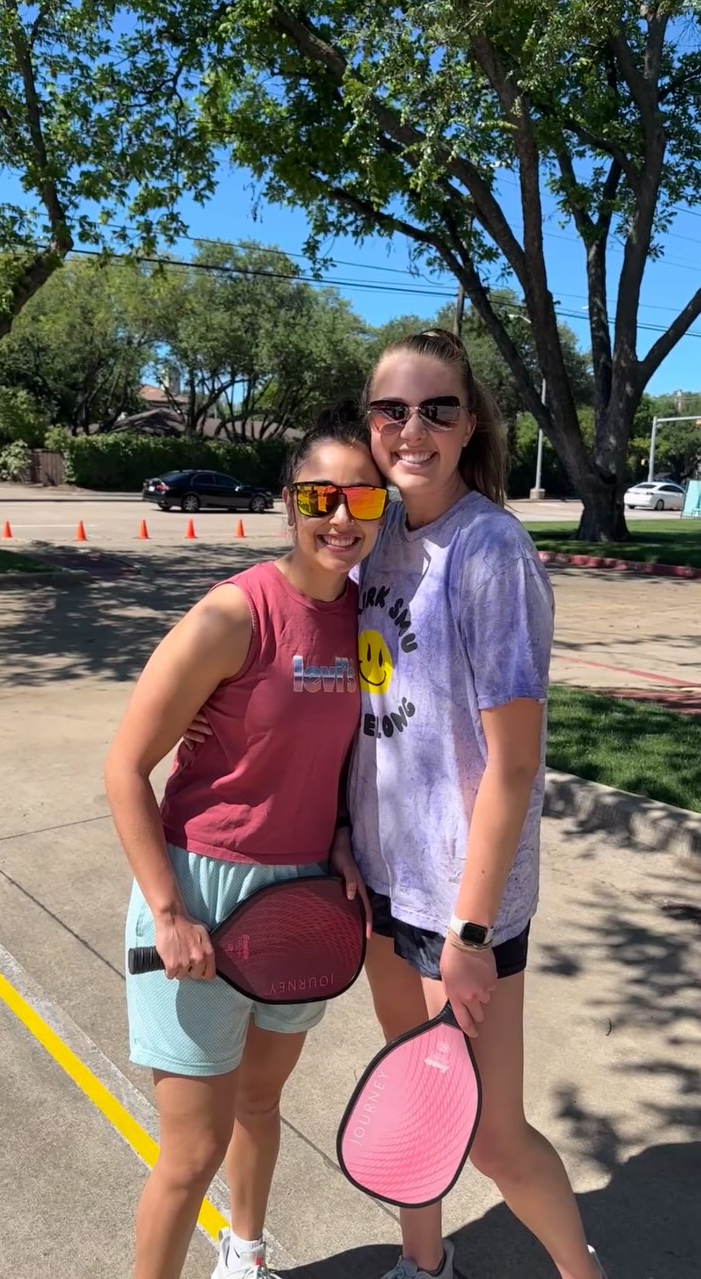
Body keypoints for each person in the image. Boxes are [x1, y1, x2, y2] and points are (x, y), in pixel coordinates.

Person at [335, 328, 608, 1279]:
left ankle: (584, 1272)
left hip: (463, 904)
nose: (413, 429)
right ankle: (425, 1264)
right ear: (370, 423)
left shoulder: (489, 549)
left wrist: (473, 929)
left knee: (492, 1138)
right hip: (381, 878)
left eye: (437, 409)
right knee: (416, 1106)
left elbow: (515, 763)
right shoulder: (373, 542)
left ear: (470, 422)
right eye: (392, 410)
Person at [104, 411, 387, 1279]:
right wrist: (168, 914)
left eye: (362, 496)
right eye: (320, 496)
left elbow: (342, 754)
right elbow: (124, 770)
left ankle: (247, 1254)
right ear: (287, 502)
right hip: (200, 893)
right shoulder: (235, 612)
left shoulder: (365, 624)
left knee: (260, 1103)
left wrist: (341, 836)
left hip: (304, 899)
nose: (341, 517)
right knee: (190, 1154)